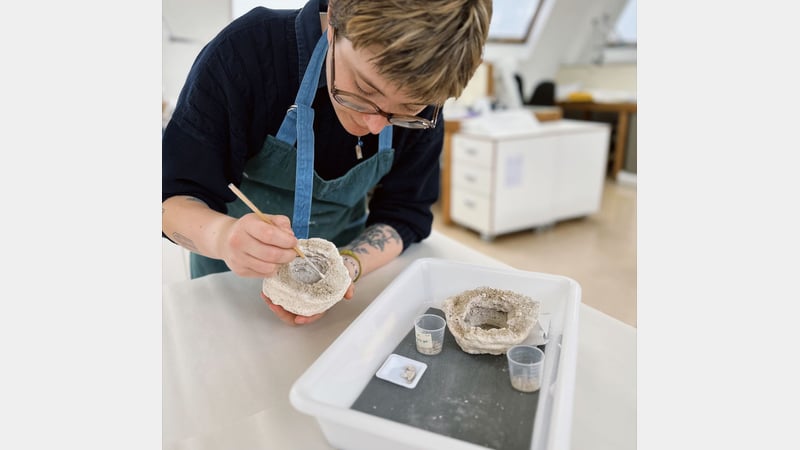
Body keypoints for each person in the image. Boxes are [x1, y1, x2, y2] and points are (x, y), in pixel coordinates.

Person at [162, 0, 492, 325]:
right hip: (230, 283)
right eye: (365, 89)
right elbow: (169, 199)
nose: (376, 125)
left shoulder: (426, 95)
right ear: (334, 15)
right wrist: (223, 236)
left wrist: (343, 270)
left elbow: (405, 212)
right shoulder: (247, 52)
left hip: (341, 293)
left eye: (407, 110)